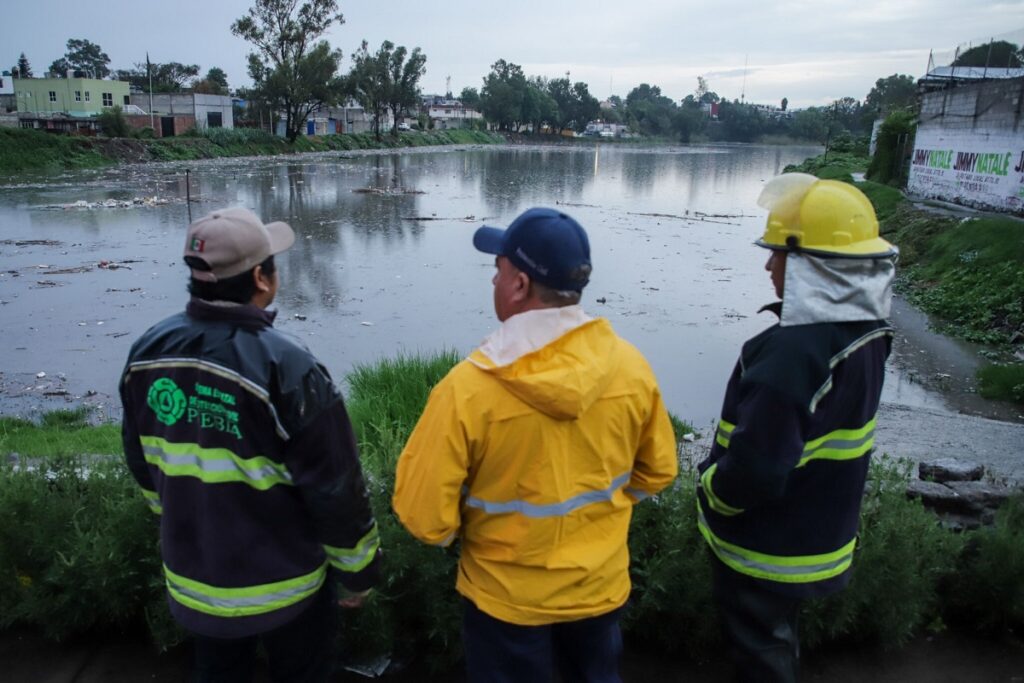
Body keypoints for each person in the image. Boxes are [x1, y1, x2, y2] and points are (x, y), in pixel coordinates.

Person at [392, 207, 679, 683]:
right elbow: (657, 473)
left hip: (506, 605)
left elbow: (425, 519)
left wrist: (468, 533)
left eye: (497, 269)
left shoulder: (468, 390)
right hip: (598, 591)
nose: (493, 280)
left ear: (519, 285)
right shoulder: (631, 367)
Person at [119, 207, 381, 682]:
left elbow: (143, 463)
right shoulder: (287, 366)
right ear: (262, 278)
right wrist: (359, 572)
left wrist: (184, 519)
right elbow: (334, 487)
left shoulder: (147, 351)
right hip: (288, 589)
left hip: (196, 583)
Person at [696, 174, 898, 682]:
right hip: (817, 536)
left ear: (815, 266)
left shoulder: (790, 355)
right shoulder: (867, 335)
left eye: (779, 255)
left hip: (766, 547)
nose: (769, 266)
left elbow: (757, 468)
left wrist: (711, 492)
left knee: (759, 656)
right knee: (777, 641)